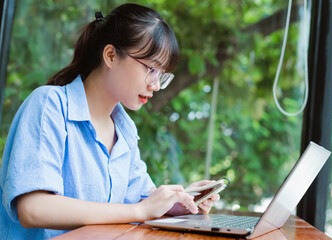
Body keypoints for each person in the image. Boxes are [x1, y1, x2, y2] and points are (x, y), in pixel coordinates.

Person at [0, 3, 220, 239]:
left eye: (162, 75)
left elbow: (139, 198)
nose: (155, 85)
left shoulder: (124, 129)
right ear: (111, 56)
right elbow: (33, 209)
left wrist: (179, 203)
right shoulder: (49, 105)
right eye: (151, 69)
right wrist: (139, 210)